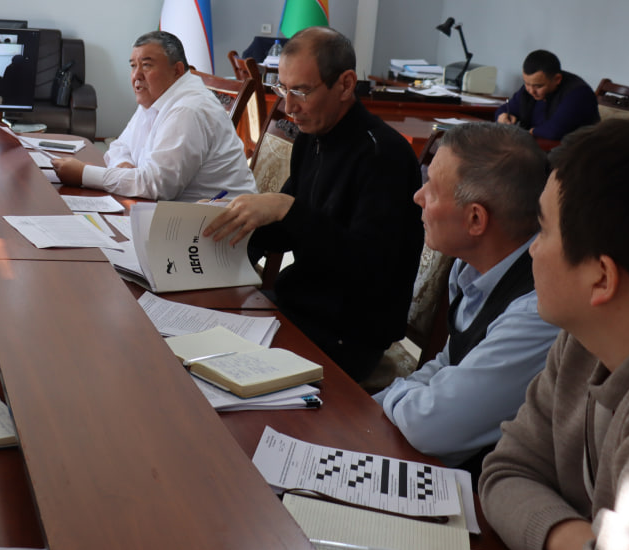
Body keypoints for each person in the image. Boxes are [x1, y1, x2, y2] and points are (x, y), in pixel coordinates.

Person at [479, 119, 629, 550]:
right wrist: (580, 546)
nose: (531, 250)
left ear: (601, 278)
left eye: (543, 230)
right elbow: (506, 472)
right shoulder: (581, 344)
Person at [204, 26, 422, 380]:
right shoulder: (313, 136)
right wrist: (225, 222)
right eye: (282, 89)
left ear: (346, 85)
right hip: (299, 307)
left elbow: (368, 269)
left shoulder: (384, 156)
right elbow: (286, 231)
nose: (288, 107)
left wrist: (287, 210)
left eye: (301, 91)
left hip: (346, 334)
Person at [374, 122, 558, 474]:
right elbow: (448, 364)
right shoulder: (469, 269)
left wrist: (395, 396)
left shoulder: (536, 310)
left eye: (432, 188)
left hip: (482, 491)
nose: (418, 196)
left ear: (475, 219)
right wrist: (377, 405)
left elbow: (432, 426)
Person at [51, 30, 256, 202]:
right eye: (133, 65)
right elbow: (119, 147)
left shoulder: (188, 110)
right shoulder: (156, 97)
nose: (136, 75)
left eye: (147, 65)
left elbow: (157, 186)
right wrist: (125, 170)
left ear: (177, 70)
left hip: (217, 223)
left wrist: (84, 174)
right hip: (171, 212)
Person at [495, 49, 599, 141]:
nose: (531, 91)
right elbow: (507, 108)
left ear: (557, 79)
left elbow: (554, 131)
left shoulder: (578, 93)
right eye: (526, 83)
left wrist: (530, 132)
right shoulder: (530, 88)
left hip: (572, 152)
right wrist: (502, 116)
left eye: (538, 86)